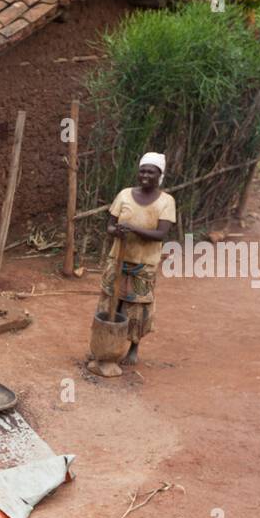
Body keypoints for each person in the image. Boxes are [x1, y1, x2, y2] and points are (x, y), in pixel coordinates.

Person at [91, 152, 176, 376]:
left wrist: (132, 229)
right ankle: (103, 346)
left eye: (151, 172)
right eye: (143, 170)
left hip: (143, 263)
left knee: (136, 306)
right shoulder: (124, 195)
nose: (145, 175)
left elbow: (160, 234)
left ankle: (132, 347)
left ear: (160, 175)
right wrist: (116, 230)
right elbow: (109, 226)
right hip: (117, 257)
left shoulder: (167, 201)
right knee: (111, 301)